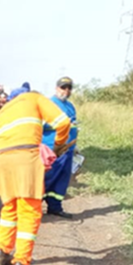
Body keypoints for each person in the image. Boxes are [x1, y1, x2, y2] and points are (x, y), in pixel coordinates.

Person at [0, 87, 71, 265]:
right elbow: (63, 122)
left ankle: (2, 253)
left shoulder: (4, 111)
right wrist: (59, 144)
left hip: (1, 160)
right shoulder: (35, 98)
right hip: (25, 157)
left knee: (10, 207)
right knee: (29, 210)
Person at [41, 77, 79, 218]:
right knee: (46, 179)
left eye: (69, 88)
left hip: (67, 150)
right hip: (52, 149)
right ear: (57, 88)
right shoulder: (49, 105)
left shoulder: (70, 106)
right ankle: (33, 207)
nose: (66, 91)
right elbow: (41, 127)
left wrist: (74, 146)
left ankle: (55, 207)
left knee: (61, 180)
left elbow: (73, 127)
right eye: (63, 87)